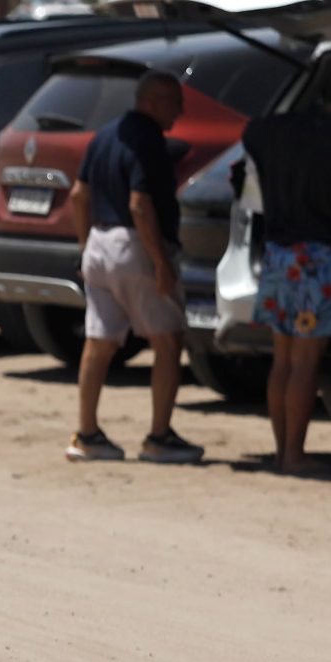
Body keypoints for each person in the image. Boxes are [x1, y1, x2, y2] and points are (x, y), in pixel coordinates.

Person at [239, 59, 331, 472]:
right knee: (306, 365)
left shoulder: (273, 132)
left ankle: (283, 451)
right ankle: (294, 456)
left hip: (277, 255)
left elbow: (250, 133)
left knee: (282, 362)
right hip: (318, 260)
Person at [64, 69, 202, 464]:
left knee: (100, 342)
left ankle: (86, 433)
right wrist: (161, 263)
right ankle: (159, 436)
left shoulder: (107, 134)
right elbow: (140, 205)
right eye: (175, 102)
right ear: (154, 101)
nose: (180, 111)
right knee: (167, 340)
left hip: (99, 243)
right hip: (134, 244)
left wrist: (84, 245)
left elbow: (78, 195)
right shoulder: (148, 141)